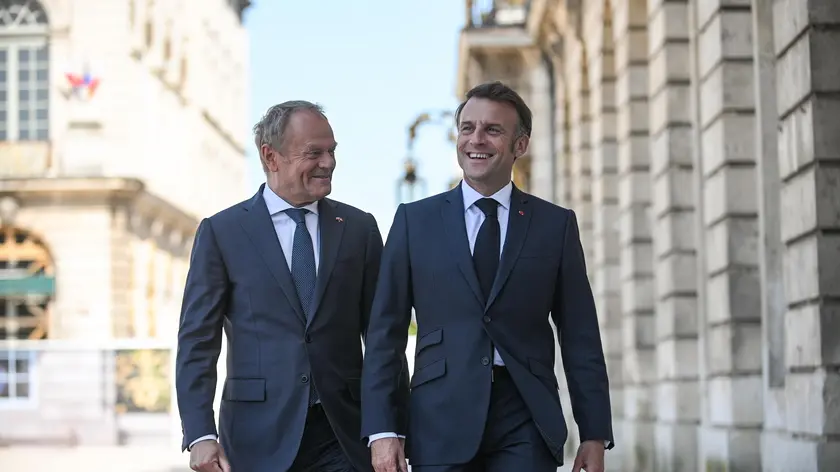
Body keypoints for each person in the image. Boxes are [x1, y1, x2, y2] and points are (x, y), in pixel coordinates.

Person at [360, 81, 614, 472]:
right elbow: (384, 334)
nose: (476, 139)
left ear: (520, 145)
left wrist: (593, 434)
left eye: (493, 130)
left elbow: (581, 336)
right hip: (438, 418)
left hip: (526, 416)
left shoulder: (555, 225)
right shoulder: (414, 221)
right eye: (467, 128)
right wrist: (382, 429)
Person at [176, 101, 386, 472]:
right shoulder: (222, 232)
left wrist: (387, 427)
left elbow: (382, 335)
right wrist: (200, 434)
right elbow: (197, 341)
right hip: (255, 438)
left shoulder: (359, 229)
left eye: (332, 151)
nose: (328, 163)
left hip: (344, 435)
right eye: (314, 153)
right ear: (270, 156)